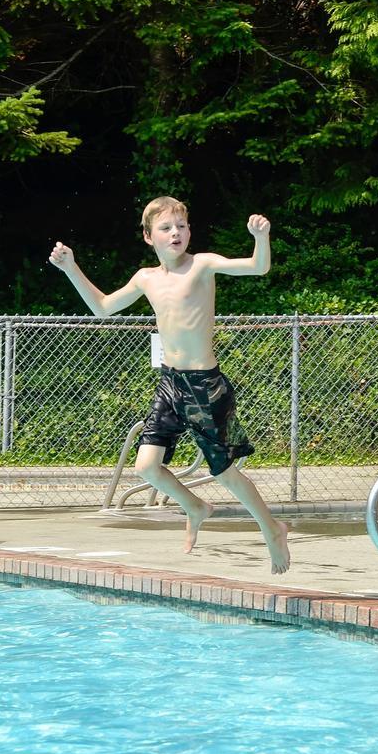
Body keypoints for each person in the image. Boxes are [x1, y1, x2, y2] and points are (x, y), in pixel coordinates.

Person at [49, 197, 291, 574]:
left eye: (181, 225)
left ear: (190, 231)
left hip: (205, 385)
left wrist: (261, 238)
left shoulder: (203, 265)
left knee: (225, 472)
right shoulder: (146, 278)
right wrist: (70, 267)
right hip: (170, 382)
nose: (175, 232)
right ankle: (195, 506)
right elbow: (102, 307)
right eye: (166, 228)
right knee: (146, 467)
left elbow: (258, 267)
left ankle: (272, 529)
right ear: (149, 237)